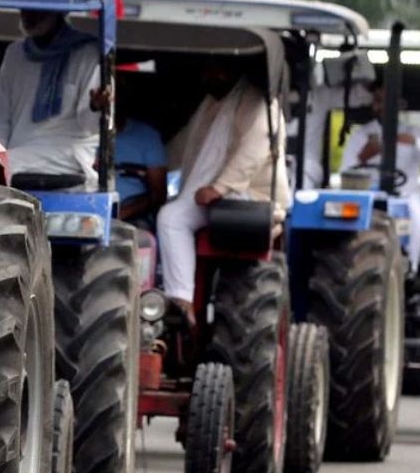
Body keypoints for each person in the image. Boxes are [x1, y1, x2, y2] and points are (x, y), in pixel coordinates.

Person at [157, 61, 290, 317]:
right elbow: (186, 144)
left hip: (249, 195)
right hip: (209, 196)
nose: (210, 75)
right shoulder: (211, 104)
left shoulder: (258, 103)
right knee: (170, 217)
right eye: (206, 70)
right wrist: (154, 161)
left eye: (216, 70)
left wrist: (220, 187)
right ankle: (181, 301)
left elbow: (255, 149)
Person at [0, 11, 106, 187]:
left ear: (58, 12)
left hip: (67, 152)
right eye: (25, 9)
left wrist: (95, 107)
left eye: (39, 11)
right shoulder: (15, 53)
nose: (30, 15)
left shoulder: (87, 51)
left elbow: (89, 126)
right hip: (19, 150)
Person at [342, 83, 420, 271]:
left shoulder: (412, 132)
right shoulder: (362, 134)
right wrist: (364, 156)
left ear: (400, 104)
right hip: (373, 196)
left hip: (406, 194)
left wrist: (414, 142)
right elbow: (346, 169)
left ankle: (412, 268)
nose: (382, 106)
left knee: (417, 223)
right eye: (378, 101)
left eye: (387, 101)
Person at [115, 114, 167, 222]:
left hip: (133, 213)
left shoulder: (147, 136)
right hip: (87, 210)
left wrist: (127, 211)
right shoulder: (79, 138)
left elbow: (158, 195)